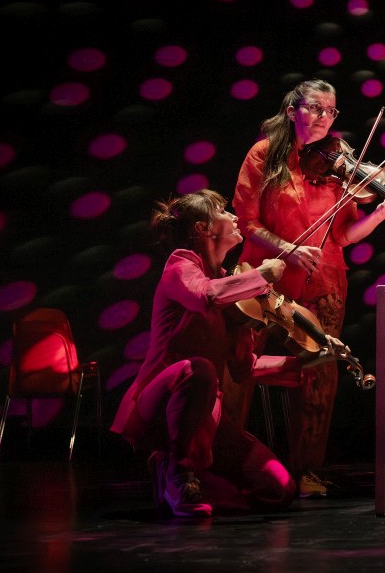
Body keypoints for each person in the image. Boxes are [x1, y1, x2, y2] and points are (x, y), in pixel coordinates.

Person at [230, 79, 385, 497]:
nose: (324, 118)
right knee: (238, 366)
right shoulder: (263, 154)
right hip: (264, 279)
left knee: (319, 375)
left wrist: (380, 215)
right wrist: (288, 249)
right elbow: (245, 221)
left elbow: (342, 235)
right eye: (315, 108)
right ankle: (225, 457)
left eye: (331, 111)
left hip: (323, 281)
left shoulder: (336, 162)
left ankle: (307, 470)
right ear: (293, 110)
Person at [110, 189, 297, 517]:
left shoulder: (231, 288)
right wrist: (261, 275)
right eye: (223, 210)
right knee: (198, 369)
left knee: (278, 489)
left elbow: (244, 368)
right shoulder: (180, 265)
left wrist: (303, 363)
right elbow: (204, 295)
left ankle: (189, 478)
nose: (234, 216)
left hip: (204, 415)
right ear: (202, 228)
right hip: (159, 405)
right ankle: (178, 472)